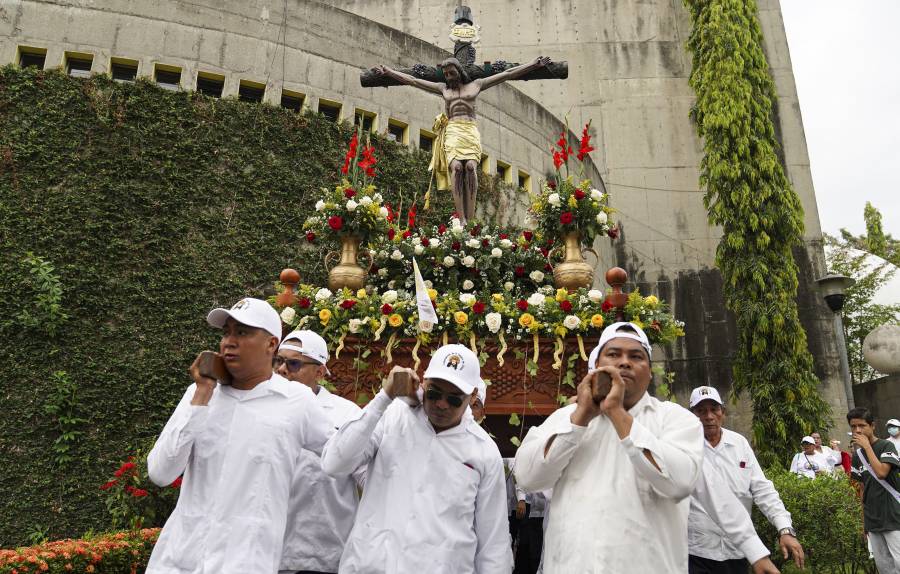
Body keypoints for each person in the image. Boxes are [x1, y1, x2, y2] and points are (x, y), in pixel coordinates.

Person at [513, 322, 778, 573]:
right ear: (594, 367)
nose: (625, 362)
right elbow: (529, 476)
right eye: (614, 354)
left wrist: (755, 551)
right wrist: (580, 417)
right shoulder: (565, 418)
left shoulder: (675, 420)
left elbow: (693, 483)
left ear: (649, 373)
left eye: (636, 356)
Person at [146, 298, 333, 574]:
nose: (229, 342)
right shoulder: (197, 394)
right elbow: (160, 473)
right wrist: (202, 394)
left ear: (271, 345)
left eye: (242, 333)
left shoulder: (297, 401)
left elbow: (343, 455)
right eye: (226, 332)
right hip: (178, 560)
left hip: (245, 562)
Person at [321, 344, 512, 573]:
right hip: (370, 565)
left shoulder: (484, 451)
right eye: (433, 393)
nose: (441, 404)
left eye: (454, 399)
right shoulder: (393, 415)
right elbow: (334, 463)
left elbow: (494, 543)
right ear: (423, 382)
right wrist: (385, 397)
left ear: (472, 396)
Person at [371, 56, 550, 222]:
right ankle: (462, 219)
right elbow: (414, 81)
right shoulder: (443, 89)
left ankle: (470, 219)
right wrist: (389, 72)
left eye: (452, 72)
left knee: (471, 168)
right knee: (457, 168)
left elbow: (506, 74)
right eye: (446, 74)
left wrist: (534, 65)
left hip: (470, 130)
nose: (449, 76)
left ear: (459, 71)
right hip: (453, 130)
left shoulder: (476, 85)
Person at [275, 330, 365, 574]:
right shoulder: (263, 409)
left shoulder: (347, 414)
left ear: (320, 371)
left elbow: (368, 478)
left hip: (325, 552)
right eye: (278, 361)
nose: (282, 370)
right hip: (269, 550)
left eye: (293, 363)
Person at [688, 386, 805, 573]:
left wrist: (784, 529)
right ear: (691, 415)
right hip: (698, 552)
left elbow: (762, 489)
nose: (708, 416)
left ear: (723, 412)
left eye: (714, 409)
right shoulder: (685, 447)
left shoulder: (739, 443)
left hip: (737, 550)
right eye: (701, 411)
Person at [848, 407, 900, 573]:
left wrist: (867, 447)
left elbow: (881, 473)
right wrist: (865, 523)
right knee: (884, 567)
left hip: (893, 516)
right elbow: (862, 489)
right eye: (853, 426)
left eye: (862, 426)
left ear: (872, 426)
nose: (857, 430)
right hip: (873, 520)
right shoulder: (857, 456)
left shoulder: (887, 445)